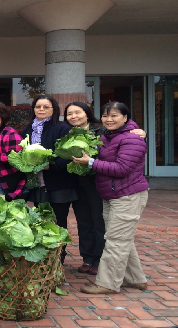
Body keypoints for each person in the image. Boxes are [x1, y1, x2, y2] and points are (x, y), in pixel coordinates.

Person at [73, 102, 149, 294]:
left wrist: (90, 162)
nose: (109, 119)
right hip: (111, 194)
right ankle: (135, 279)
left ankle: (107, 283)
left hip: (128, 194)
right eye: (106, 116)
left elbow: (122, 168)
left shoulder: (132, 139)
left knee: (116, 240)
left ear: (126, 117)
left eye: (114, 115)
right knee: (121, 239)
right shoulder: (107, 136)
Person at [21, 94, 77, 264]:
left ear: (54, 110)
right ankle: (44, 257)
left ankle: (58, 258)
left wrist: (48, 166)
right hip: (38, 184)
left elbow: (68, 156)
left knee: (58, 223)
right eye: (38, 107)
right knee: (41, 221)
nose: (41, 110)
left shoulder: (62, 128)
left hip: (59, 184)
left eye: (46, 107)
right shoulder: (27, 130)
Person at [63, 102, 106, 275]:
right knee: (83, 221)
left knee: (98, 220)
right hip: (76, 182)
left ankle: (99, 259)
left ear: (87, 114)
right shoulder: (66, 133)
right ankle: (87, 257)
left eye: (77, 112)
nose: (74, 116)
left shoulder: (101, 131)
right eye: (69, 114)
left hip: (96, 182)